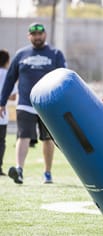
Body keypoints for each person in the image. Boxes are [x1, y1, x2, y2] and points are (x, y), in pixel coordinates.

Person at [0, 22, 67, 184]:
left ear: (45, 35)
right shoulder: (21, 54)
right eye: (34, 34)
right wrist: (2, 102)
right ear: (29, 36)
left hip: (48, 105)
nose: (37, 37)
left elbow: (63, 78)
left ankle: (47, 173)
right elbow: (10, 79)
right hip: (25, 103)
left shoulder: (56, 53)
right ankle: (19, 170)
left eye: (40, 34)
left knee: (47, 139)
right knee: (23, 136)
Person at [0, 49, 17, 176]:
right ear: (7, 61)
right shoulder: (8, 74)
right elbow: (13, 97)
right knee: (1, 142)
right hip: (2, 115)